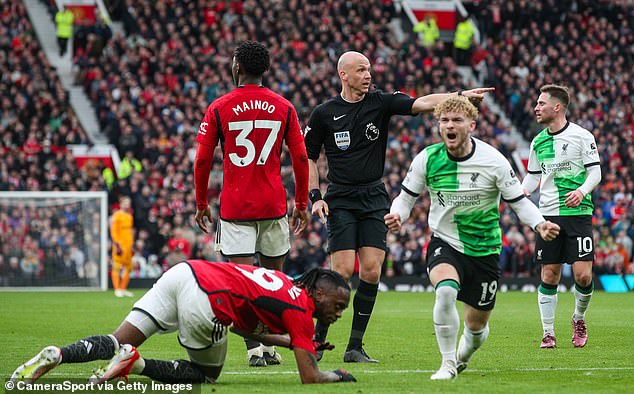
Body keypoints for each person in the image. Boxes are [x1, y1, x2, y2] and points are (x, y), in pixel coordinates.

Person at [304, 50, 494, 363]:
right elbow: (308, 157)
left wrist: (458, 96)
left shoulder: (380, 102)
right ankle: (318, 338)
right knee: (341, 271)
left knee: (372, 270)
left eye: (369, 70)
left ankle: (354, 347)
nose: (368, 75)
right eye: (361, 70)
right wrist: (315, 196)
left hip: (374, 196)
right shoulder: (325, 113)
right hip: (340, 197)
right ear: (344, 75)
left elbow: (421, 103)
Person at [384, 96, 560, 380]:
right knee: (444, 291)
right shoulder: (427, 159)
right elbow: (405, 199)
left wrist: (539, 224)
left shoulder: (494, 161)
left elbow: (519, 202)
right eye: (444, 121)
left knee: (476, 329)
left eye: (456, 120)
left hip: (485, 250)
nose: (449, 126)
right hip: (445, 242)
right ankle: (447, 363)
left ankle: (463, 355)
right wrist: (397, 216)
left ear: (472, 125)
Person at [10, 262, 356, 385]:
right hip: (207, 298)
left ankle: (58, 354)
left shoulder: (283, 283)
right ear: (319, 294)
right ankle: (138, 363)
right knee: (206, 374)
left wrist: (297, 344)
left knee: (115, 339)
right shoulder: (299, 309)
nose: (339, 313)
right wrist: (336, 376)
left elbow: (244, 328)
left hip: (184, 273)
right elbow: (310, 378)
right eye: (339, 305)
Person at [194, 41, 310, 366]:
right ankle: (272, 348)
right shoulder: (284, 106)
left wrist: (201, 202)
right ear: (265, 69)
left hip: (235, 210)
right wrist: (301, 201)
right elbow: (300, 157)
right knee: (275, 280)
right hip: (274, 207)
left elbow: (202, 160)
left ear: (237, 67)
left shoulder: (220, 107)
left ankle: (255, 349)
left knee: (242, 282)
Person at [521, 84, 602, 349]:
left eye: (541, 103)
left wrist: (581, 191)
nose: (536, 108)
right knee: (550, 274)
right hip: (548, 216)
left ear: (557, 107)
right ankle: (548, 332)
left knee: (583, 277)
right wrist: (519, 192)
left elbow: (595, 173)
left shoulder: (582, 136)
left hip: (578, 213)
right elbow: (533, 177)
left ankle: (578, 318)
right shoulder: (538, 141)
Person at [110, 196, 134, 298]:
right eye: (125, 203)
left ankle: (123, 289)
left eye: (128, 203)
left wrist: (132, 244)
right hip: (120, 246)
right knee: (117, 266)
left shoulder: (129, 216)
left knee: (128, 268)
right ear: (121, 203)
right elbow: (114, 231)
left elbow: (130, 232)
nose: (127, 205)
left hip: (128, 246)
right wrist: (117, 244)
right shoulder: (116, 215)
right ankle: (117, 289)